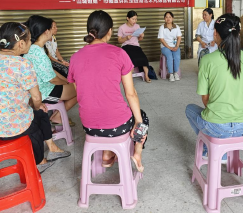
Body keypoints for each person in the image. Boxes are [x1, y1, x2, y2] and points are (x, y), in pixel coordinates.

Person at [0, 22, 67, 173]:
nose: (30, 43)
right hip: (9, 127)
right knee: (40, 114)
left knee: (37, 111)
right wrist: (37, 106)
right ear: (21, 44)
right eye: (29, 40)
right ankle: (40, 160)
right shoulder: (23, 64)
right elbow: (36, 97)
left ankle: (51, 150)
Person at [68, 10, 148, 172]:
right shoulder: (119, 53)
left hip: (89, 126)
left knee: (105, 114)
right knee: (143, 117)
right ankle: (137, 153)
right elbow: (130, 93)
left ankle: (106, 154)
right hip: (118, 124)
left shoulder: (75, 58)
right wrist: (138, 122)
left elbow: (80, 93)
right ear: (110, 31)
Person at [186, 14, 243, 163]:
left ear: (215, 33)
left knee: (190, 109)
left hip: (218, 127)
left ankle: (209, 149)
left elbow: (205, 100)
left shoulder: (207, 60)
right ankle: (221, 149)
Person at [24, 15, 78, 130]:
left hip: (42, 87)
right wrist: (67, 83)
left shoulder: (34, 48)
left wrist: (67, 81)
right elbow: (52, 79)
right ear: (46, 31)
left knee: (75, 85)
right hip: (45, 91)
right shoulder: (38, 52)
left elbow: (51, 71)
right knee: (82, 90)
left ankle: (56, 115)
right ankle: (57, 117)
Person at [117, 10, 151, 83]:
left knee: (144, 59)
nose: (134, 21)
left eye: (136, 19)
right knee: (131, 60)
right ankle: (129, 77)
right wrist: (126, 38)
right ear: (127, 18)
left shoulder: (137, 26)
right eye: (133, 19)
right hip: (126, 46)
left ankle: (146, 75)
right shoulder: (122, 27)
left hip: (136, 46)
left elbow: (139, 39)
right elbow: (119, 41)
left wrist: (142, 36)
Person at [158, 11, 182, 82]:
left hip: (175, 46)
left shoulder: (176, 27)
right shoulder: (162, 27)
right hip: (165, 47)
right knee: (170, 57)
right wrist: (169, 47)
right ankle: (171, 74)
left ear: (173, 18)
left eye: (170, 17)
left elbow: (179, 37)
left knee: (177, 57)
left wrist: (177, 46)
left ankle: (176, 73)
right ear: (164, 18)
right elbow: (161, 39)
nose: (168, 19)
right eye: (166, 17)